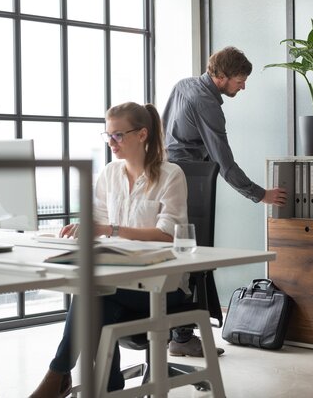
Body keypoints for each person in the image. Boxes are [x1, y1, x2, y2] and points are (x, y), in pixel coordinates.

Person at [29, 102, 212, 397]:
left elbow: (167, 235)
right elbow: (98, 222)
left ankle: (61, 374)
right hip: (118, 281)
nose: (112, 143)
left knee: (92, 296)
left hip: (162, 285)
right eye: (108, 136)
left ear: (142, 134)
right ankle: (106, 387)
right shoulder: (110, 174)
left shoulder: (170, 175)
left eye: (118, 136)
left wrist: (110, 230)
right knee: (97, 299)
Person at [162, 46, 287, 356]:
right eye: (240, 80)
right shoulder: (207, 104)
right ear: (220, 77)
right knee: (191, 258)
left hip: (166, 175)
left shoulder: (184, 85)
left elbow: (163, 130)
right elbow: (225, 162)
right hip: (191, 180)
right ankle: (181, 337)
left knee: (176, 255)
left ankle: (172, 333)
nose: (243, 86)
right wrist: (260, 194)